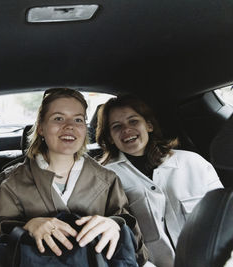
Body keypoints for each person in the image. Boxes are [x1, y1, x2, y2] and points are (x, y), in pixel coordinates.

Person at [0, 88, 148, 266]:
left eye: (78, 119)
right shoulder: (11, 181)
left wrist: (115, 225)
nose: (69, 126)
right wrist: (28, 226)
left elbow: (138, 252)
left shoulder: (108, 179)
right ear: (41, 127)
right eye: (58, 118)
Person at [95, 94, 224, 267]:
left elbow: (223, 219)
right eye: (116, 126)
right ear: (110, 137)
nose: (126, 129)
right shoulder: (104, 177)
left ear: (148, 125)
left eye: (133, 121)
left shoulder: (192, 162)